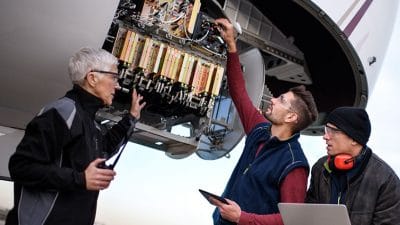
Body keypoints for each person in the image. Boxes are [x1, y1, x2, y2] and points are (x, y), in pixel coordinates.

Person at [6, 47, 146, 225]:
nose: (117, 85)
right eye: (114, 77)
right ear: (92, 78)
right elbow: (22, 167)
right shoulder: (62, 112)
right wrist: (81, 179)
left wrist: (131, 118)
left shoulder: (89, 122)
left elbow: (105, 148)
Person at [210, 18, 318, 225]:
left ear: (291, 117)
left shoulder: (294, 164)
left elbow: (290, 220)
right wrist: (232, 46)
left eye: (282, 100)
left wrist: (242, 218)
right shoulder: (260, 130)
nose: (273, 99)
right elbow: (239, 94)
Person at [306, 106, 400, 225]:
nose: (325, 137)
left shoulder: (386, 181)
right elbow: (309, 213)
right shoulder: (320, 167)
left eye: (333, 131)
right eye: (326, 130)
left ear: (354, 139)